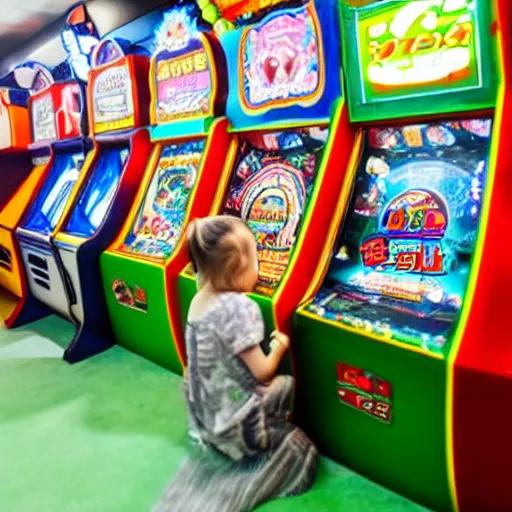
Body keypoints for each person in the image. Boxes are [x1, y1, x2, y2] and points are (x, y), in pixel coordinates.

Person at [154, 215, 317, 512]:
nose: (260, 267)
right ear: (235, 270)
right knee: (286, 385)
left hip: (203, 416)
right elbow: (263, 371)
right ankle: (260, 445)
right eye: (255, 260)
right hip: (235, 423)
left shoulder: (198, 299)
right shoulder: (238, 309)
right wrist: (278, 347)